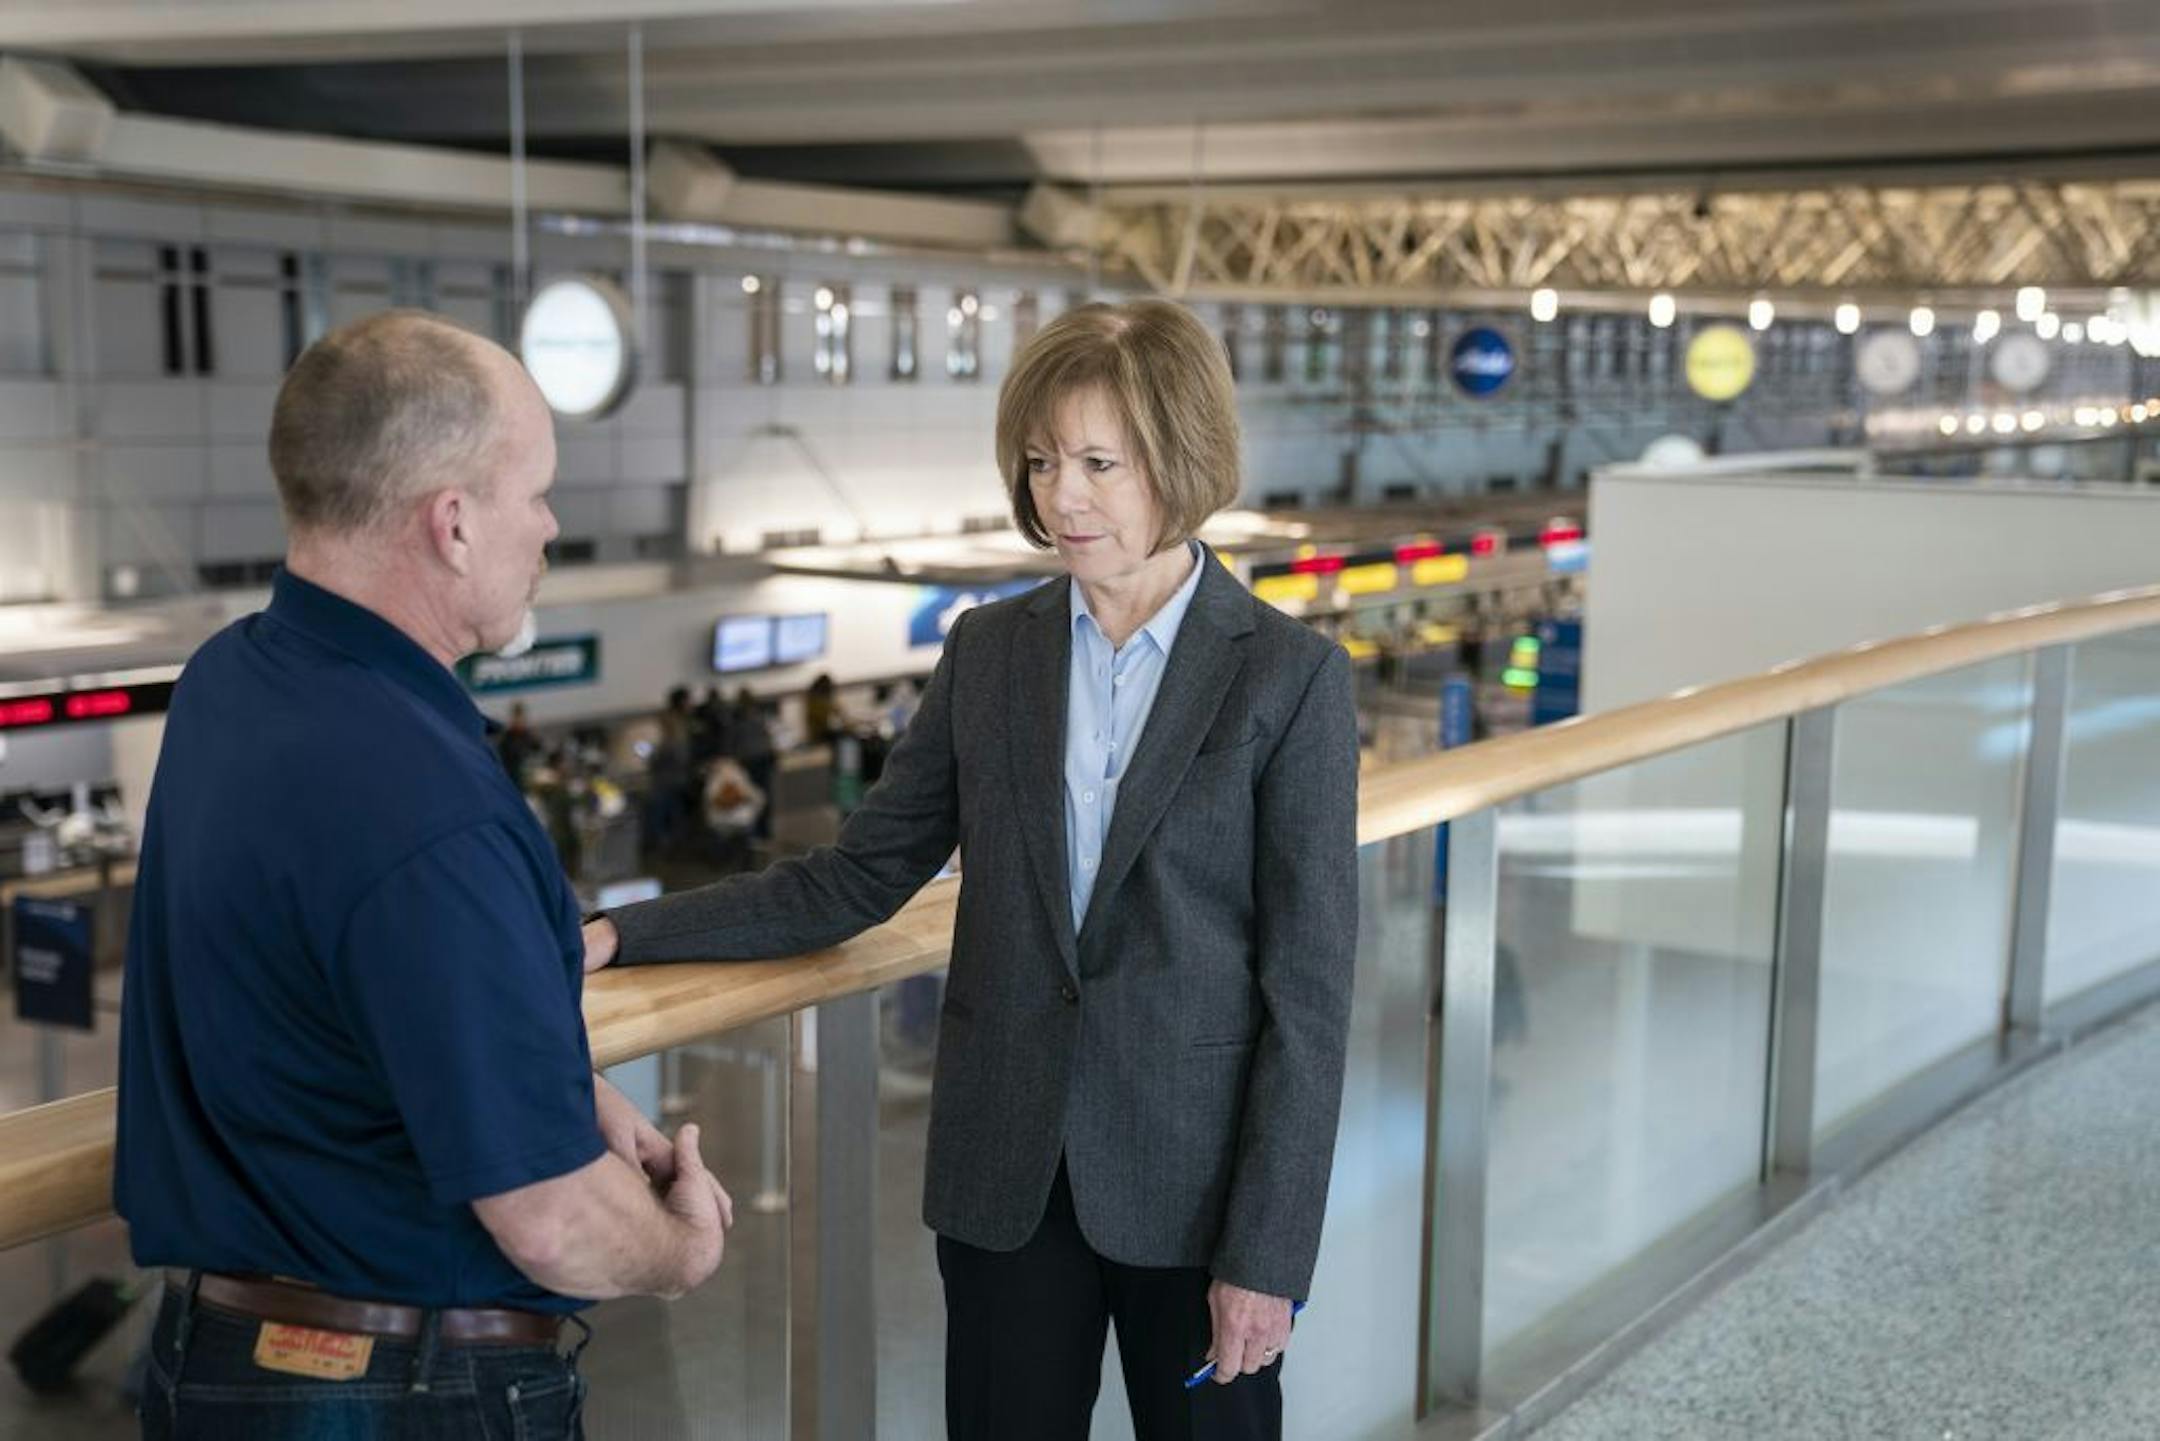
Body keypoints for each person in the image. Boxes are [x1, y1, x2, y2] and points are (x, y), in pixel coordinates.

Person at [584, 298, 1359, 1441]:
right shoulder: (991, 653)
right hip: (1008, 1185)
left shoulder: (1288, 678)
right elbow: (856, 878)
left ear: (1183, 459)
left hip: (1197, 1194)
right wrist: (619, 934)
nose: (1062, 496)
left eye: (1100, 461)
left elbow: (1308, 990)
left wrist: (1270, 1252)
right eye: (1044, 461)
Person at [114, 310, 732, 1441]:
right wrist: (681, 1246)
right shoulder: (424, 808)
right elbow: (549, 1222)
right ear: (452, 522)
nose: (549, 527)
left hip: (214, 1363)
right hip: (395, 1393)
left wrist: (559, 1103)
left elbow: (357, 1007)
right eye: (535, 493)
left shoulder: (227, 686)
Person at [497, 700, 543, 780]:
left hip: (527, 771)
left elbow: (538, 749)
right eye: (517, 718)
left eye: (521, 718)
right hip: (512, 772)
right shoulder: (507, 737)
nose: (519, 721)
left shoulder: (527, 735)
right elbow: (506, 755)